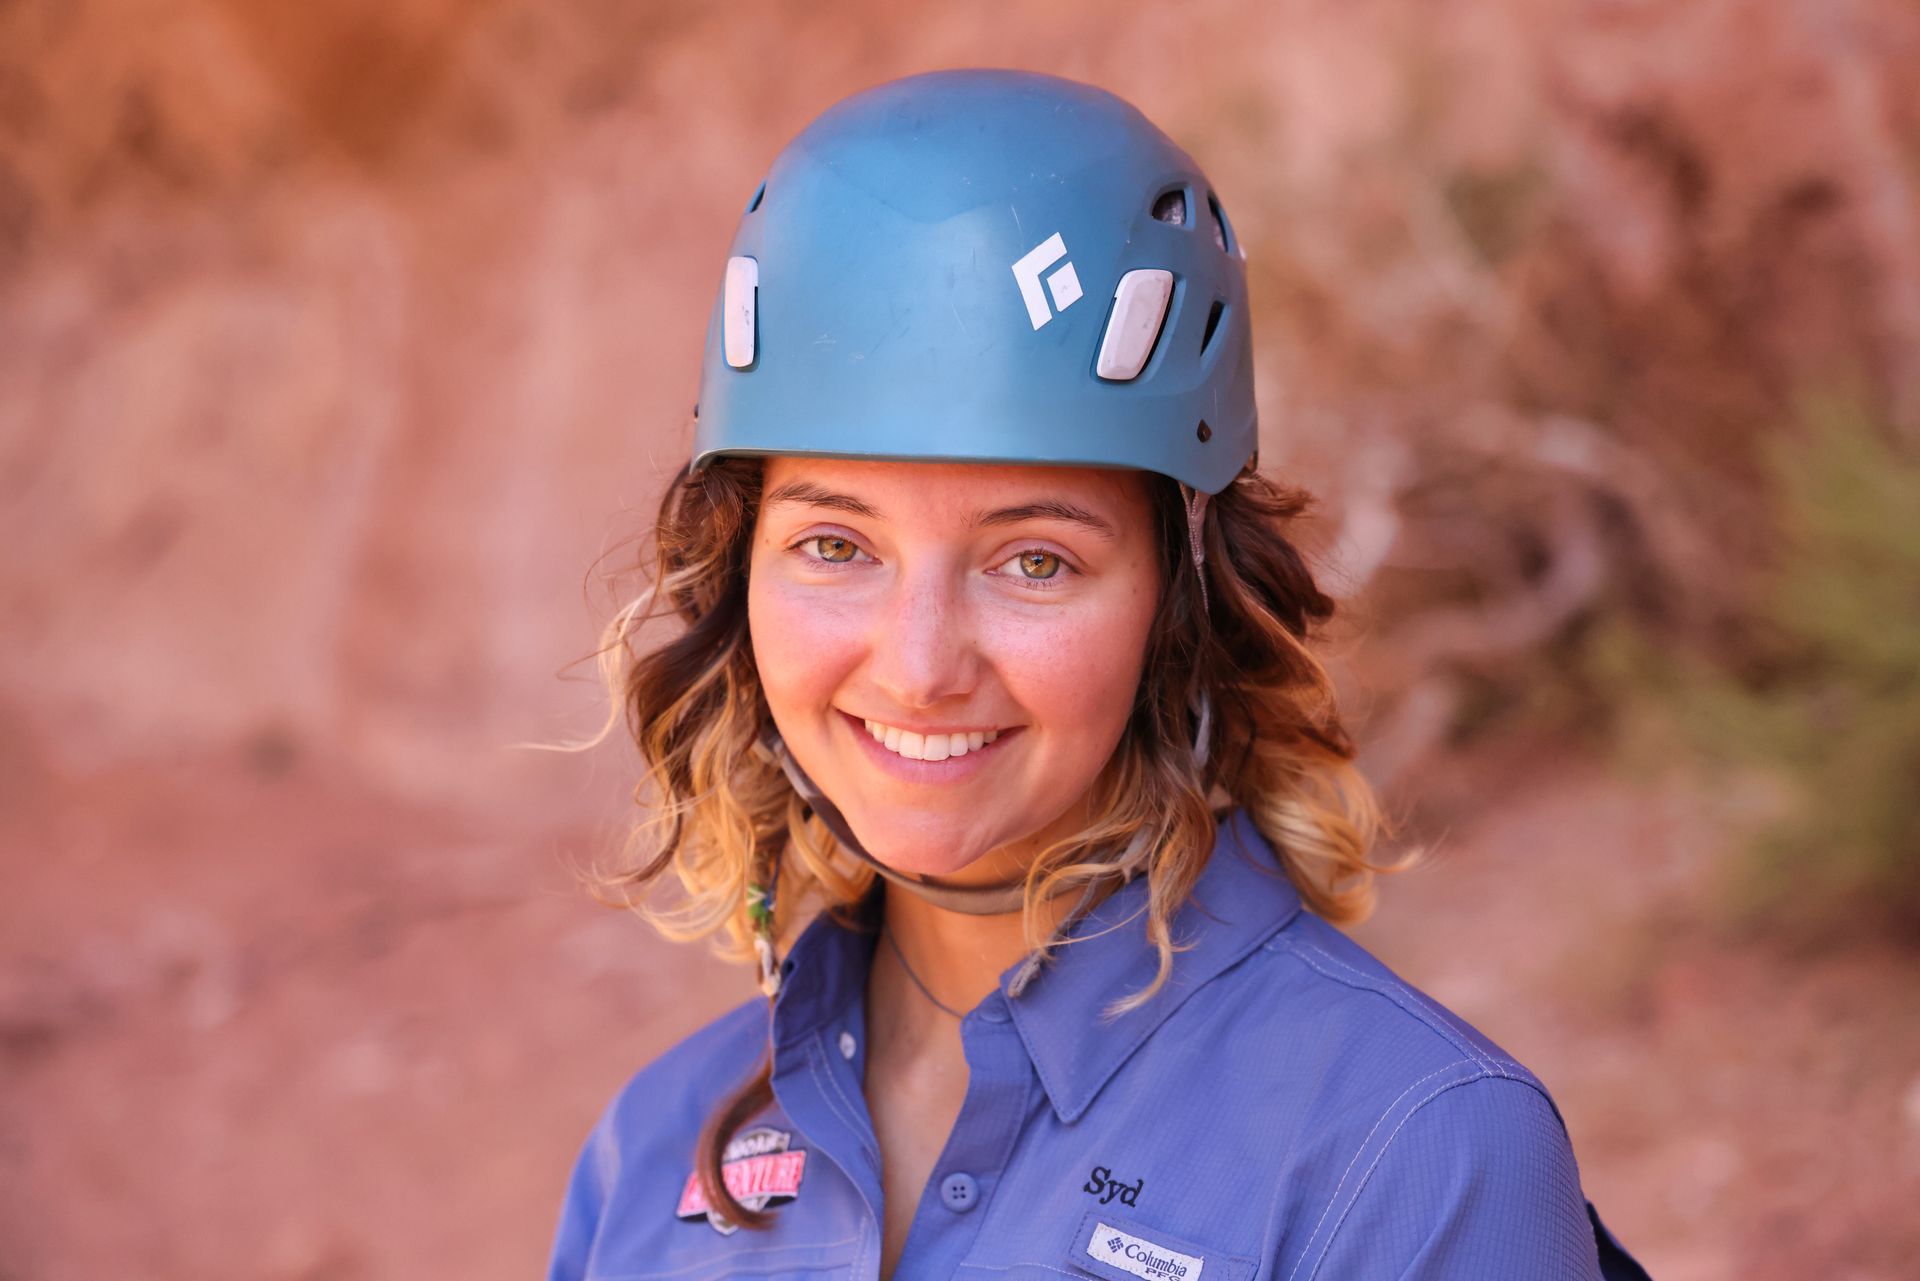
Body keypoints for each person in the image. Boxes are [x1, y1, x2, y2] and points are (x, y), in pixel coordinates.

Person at [546, 68, 1653, 1281]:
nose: (918, 669)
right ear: (734, 579)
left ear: (1181, 607)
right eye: (834, 545)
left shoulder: (1413, 1156)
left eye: (1034, 560)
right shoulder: (655, 1159)